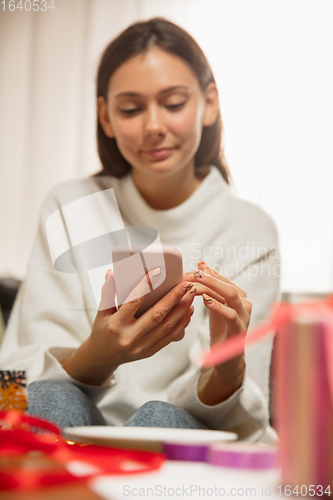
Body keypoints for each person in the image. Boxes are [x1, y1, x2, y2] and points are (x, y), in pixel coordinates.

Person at [0, 18, 280, 442]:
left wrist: (228, 366)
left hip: (184, 430)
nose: (153, 126)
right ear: (105, 117)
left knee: (159, 419)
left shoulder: (248, 229)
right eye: (131, 109)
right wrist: (98, 355)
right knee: (45, 401)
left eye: (172, 103)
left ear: (209, 104)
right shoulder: (71, 206)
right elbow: (13, 387)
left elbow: (243, 418)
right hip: (72, 426)